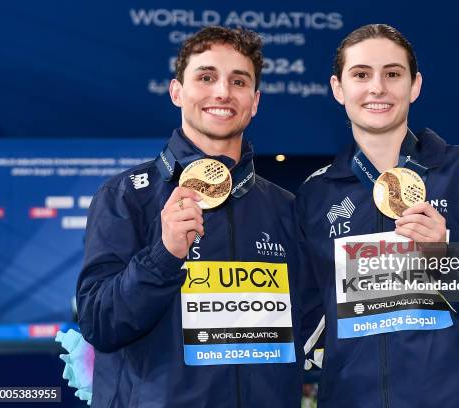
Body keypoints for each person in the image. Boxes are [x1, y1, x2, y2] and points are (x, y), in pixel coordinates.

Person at [295, 24, 459, 407]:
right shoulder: (317, 194)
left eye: (392, 74)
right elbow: (305, 317)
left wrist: (446, 258)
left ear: (414, 85)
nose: (377, 88)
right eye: (361, 75)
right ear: (338, 88)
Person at [77, 26, 302, 407]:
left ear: (255, 100)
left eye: (239, 81)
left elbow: (311, 322)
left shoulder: (284, 207)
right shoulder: (125, 196)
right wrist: (163, 255)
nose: (222, 93)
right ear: (177, 91)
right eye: (206, 77)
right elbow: (99, 323)